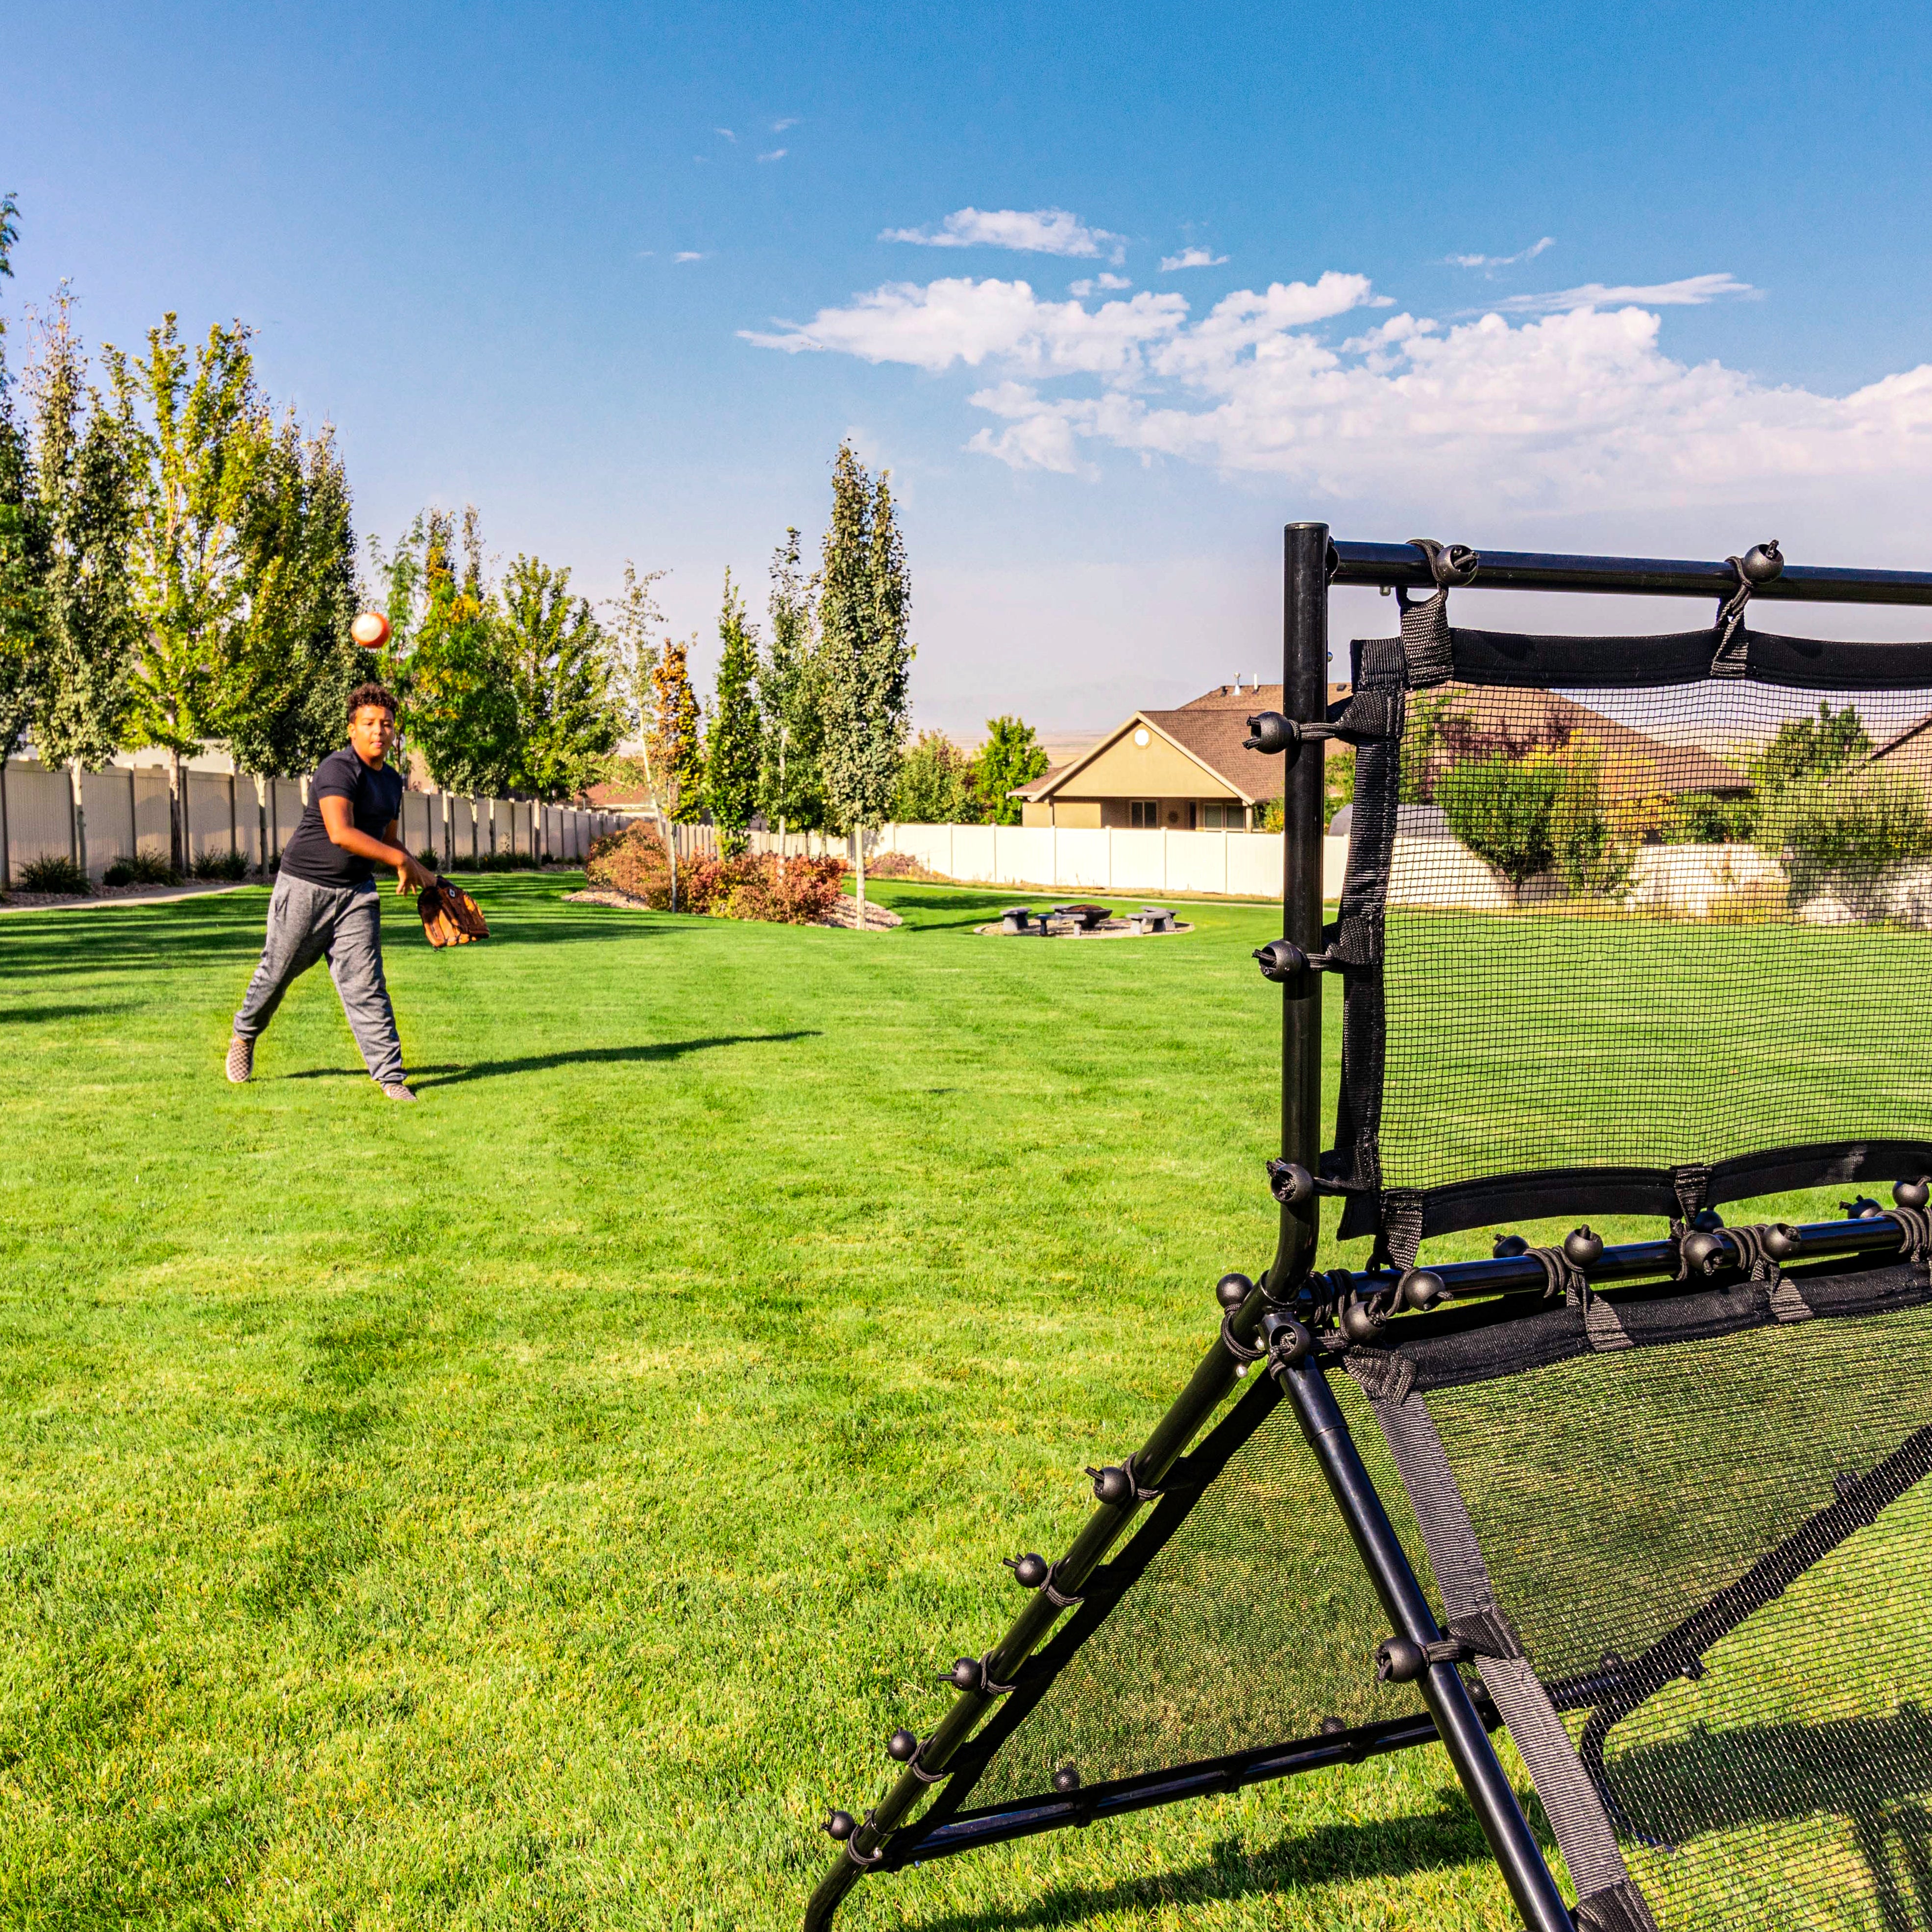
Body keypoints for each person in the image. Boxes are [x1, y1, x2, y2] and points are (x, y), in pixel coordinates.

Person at [226, 683, 437, 1100]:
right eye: (370, 723)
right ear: (352, 729)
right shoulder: (338, 769)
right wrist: (397, 863)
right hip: (305, 886)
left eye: (388, 724)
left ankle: (390, 1076)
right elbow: (342, 833)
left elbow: (389, 842)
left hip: (356, 893)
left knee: (366, 983)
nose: (380, 730)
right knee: (277, 972)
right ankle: (244, 1034)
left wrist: (431, 879)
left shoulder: (393, 782)